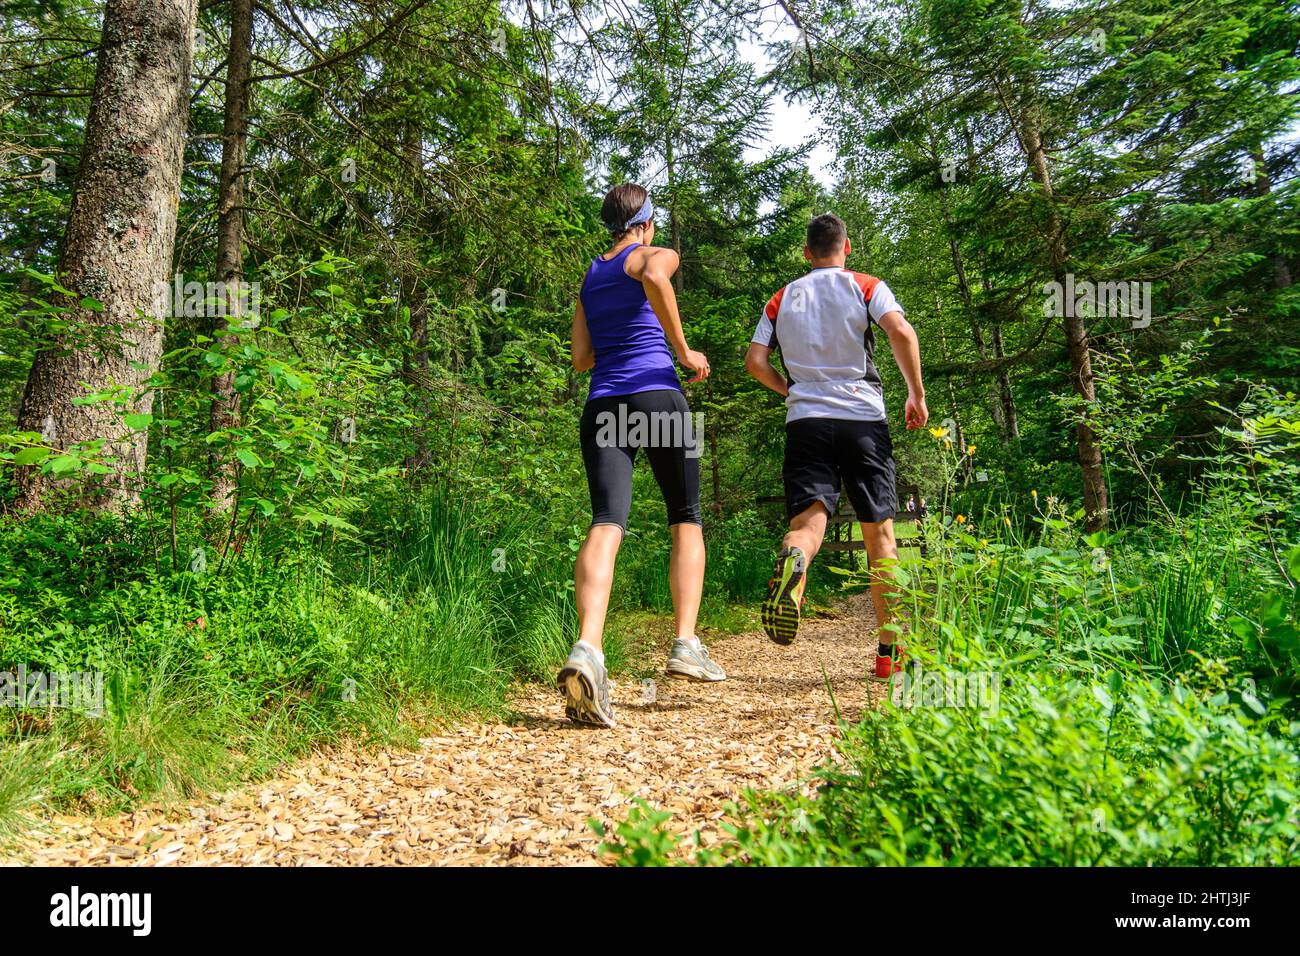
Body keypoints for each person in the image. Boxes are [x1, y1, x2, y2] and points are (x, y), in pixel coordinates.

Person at [557, 183, 725, 729]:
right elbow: (655, 276)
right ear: (647, 224)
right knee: (686, 517)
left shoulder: (590, 275)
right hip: (658, 395)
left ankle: (588, 647)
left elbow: (582, 358)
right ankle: (684, 642)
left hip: (604, 403)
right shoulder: (652, 253)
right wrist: (683, 351)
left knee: (607, 521)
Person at [743, 213, 928, 680]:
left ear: (807, 253)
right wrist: (915, 395)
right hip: (862, 420)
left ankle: (797, 563)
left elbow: (755, 361)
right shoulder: (865, 286)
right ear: (846, 249)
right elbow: (901, 332)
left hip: (807, 421)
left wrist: (791, 391)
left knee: (807, 524)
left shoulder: (782, 297)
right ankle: (891, 653)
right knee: (881, 537)